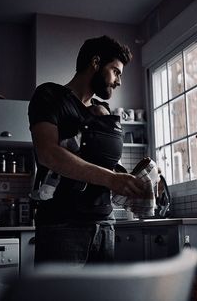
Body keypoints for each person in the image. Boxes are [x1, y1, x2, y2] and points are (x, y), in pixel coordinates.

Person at [28, 35, 149, 266]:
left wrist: (131, 182)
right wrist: (112, 178)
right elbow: (48, 153)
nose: (119, 81)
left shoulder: (102, 111)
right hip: (62, 225)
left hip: (105, 224)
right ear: (95, 63)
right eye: (116, 71)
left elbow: (104, 165)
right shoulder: (50, 96)